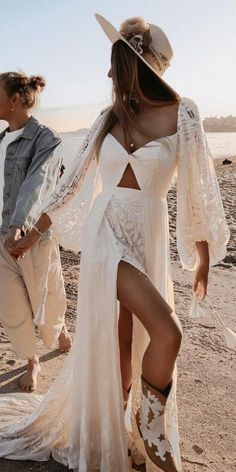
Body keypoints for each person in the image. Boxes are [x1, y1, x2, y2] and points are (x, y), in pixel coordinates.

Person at [0, 15, 230, 472]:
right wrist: (35, 232)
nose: (107, 75)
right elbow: (71, 187)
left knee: (130, 347)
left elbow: (199, 189)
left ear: (134, 62)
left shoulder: (183, 114)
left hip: (148, 232)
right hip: (106, 236)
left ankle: (127, 428)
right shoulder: (109, 117)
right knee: (169, 330)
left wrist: (202, 256)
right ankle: (152, 427)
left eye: (113, 63)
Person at [0, 72, 72, 392]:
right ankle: (32, 360)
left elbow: (38, 183)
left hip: (33, 235)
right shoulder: (1, 141)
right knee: (12, 304)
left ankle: (59, 329)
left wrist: (19, 226)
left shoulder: (46, 139)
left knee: (46, 295)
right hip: (2, 236)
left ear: (14, 99)